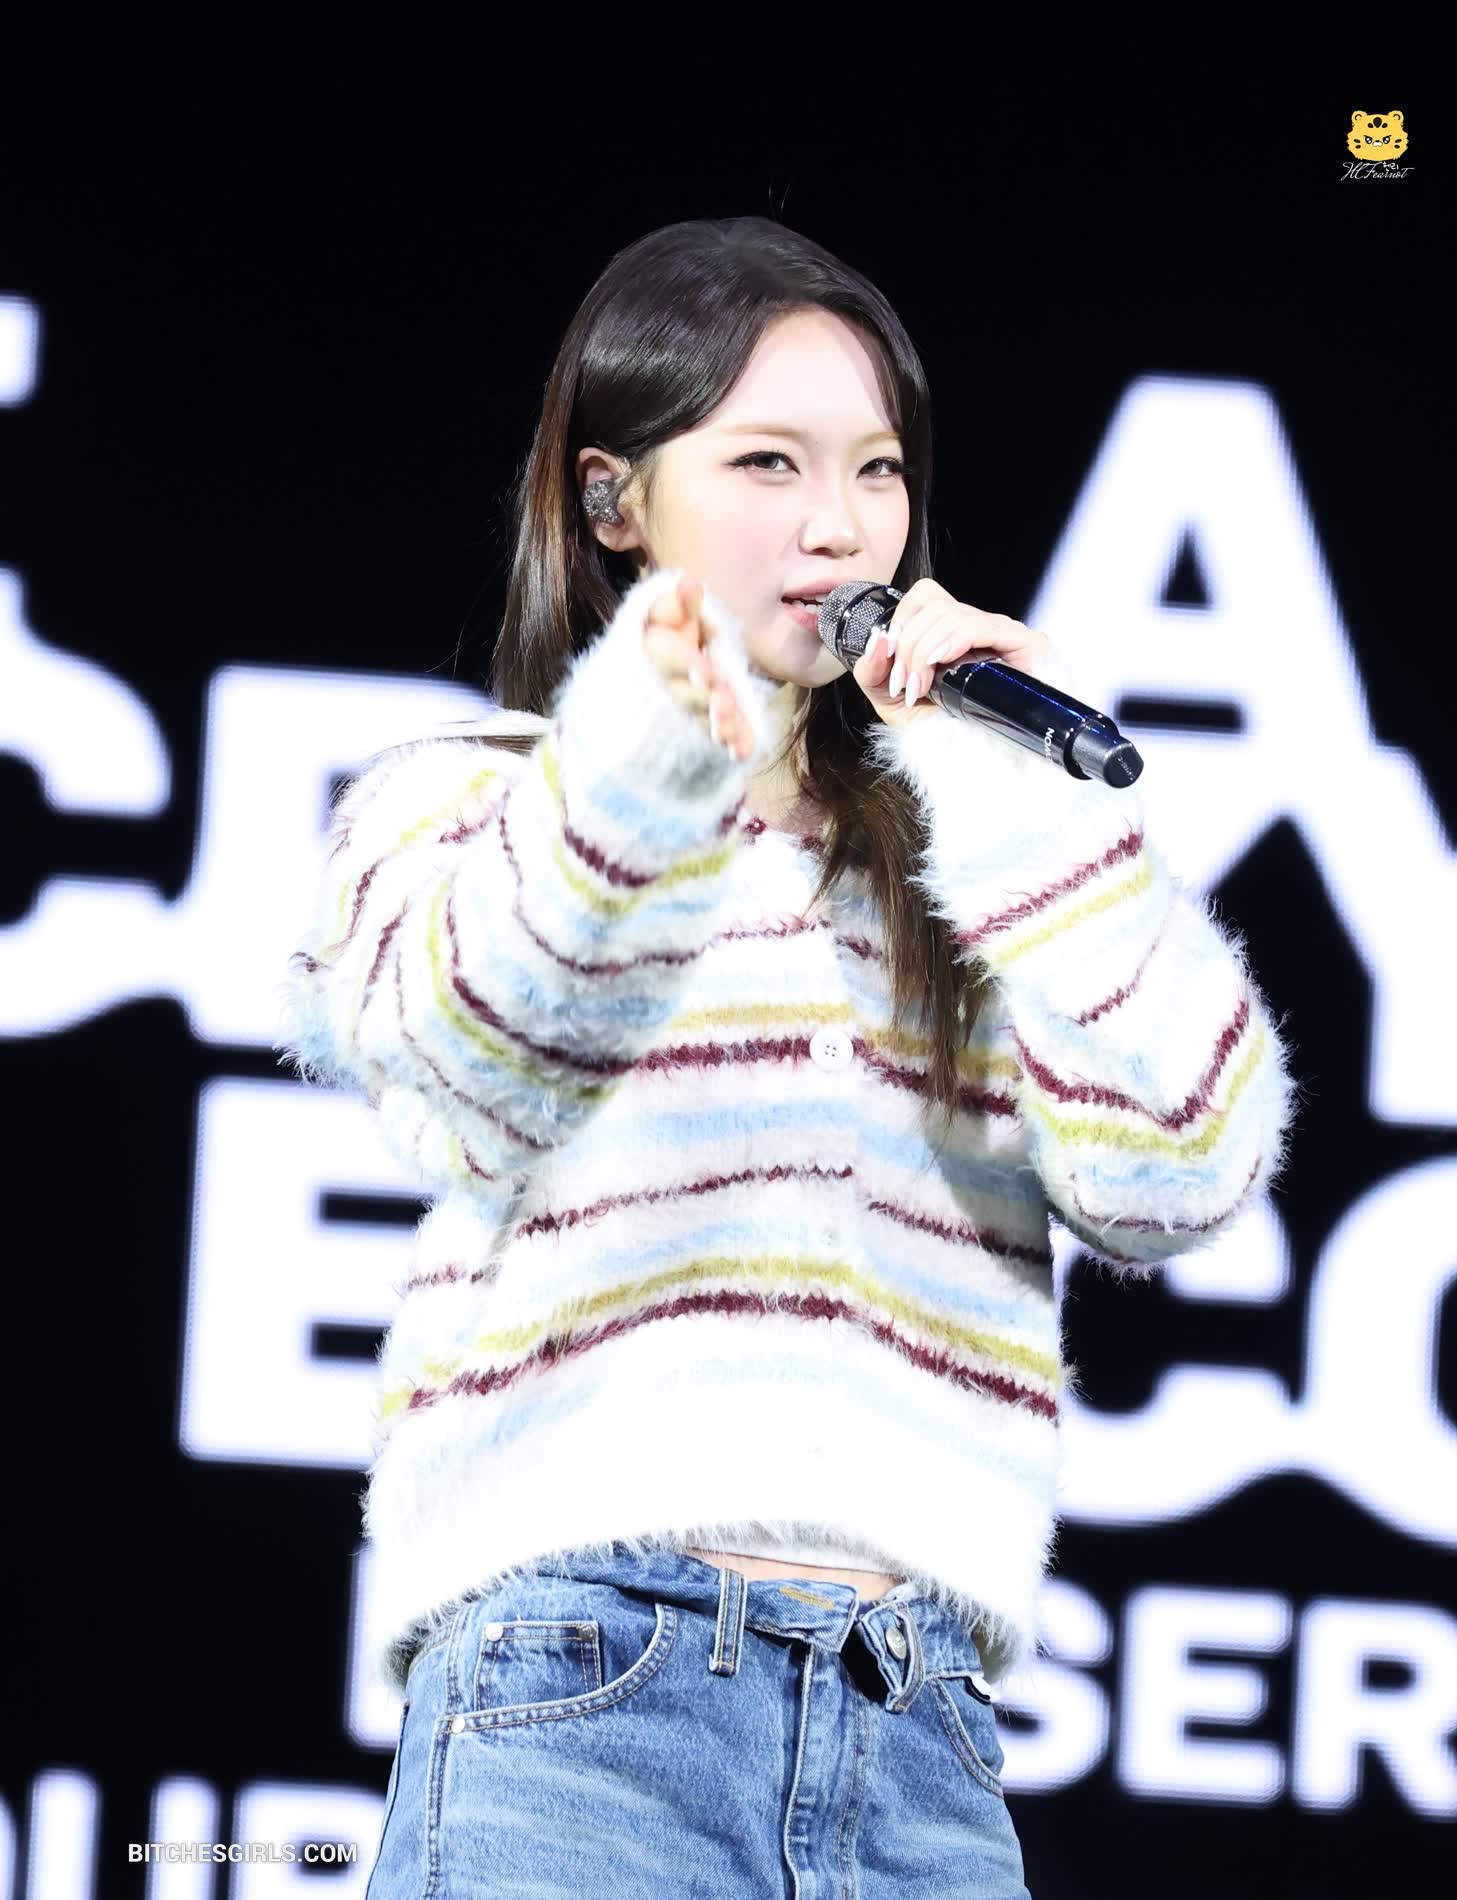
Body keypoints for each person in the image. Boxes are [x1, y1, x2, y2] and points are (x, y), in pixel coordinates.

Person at [277, 216, 1297, 1898]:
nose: (840, 525)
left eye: (878, 471)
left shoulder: (961, 860)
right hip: (587, 1703)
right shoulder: (468, 797)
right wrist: (653, 739)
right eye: (770, 463)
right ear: (615, 501)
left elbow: (1182, 1173)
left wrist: (1025, 805)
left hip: (919, 1738)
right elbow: (477, 1054)